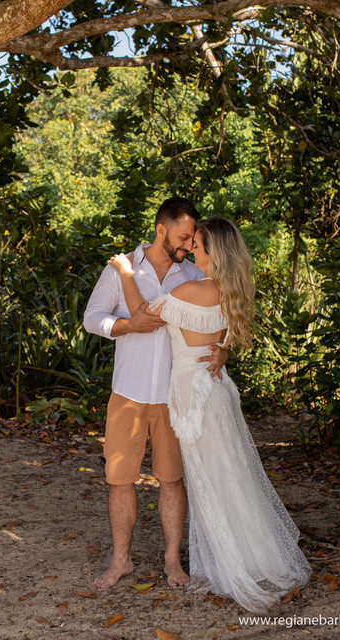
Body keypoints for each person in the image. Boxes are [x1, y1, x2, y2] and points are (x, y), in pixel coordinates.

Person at [107, 216, 311, 612]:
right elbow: (226, 334)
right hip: (214, 390)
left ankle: (233, 563)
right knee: (228, 474)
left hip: (192, 394)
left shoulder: (190, 289)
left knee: (209, 480)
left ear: (212, 251)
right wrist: (224, 350)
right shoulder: (230, 290)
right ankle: (254, 555)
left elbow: (142, 315)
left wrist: (125, 270)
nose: (191, 250)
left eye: (197, 245)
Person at [83, 197, 229, 590]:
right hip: (128, 392)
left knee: (172, 479)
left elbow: (221, 313)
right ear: (161, 229)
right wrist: (127, 327)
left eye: (192, 239)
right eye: (183, 237)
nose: (187, 245)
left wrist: (225, 346)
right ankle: (121, 561)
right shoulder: (121, 269)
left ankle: (172, 563)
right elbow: (92, 318)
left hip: (174, 396)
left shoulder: (192, 276)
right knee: (120, 479)